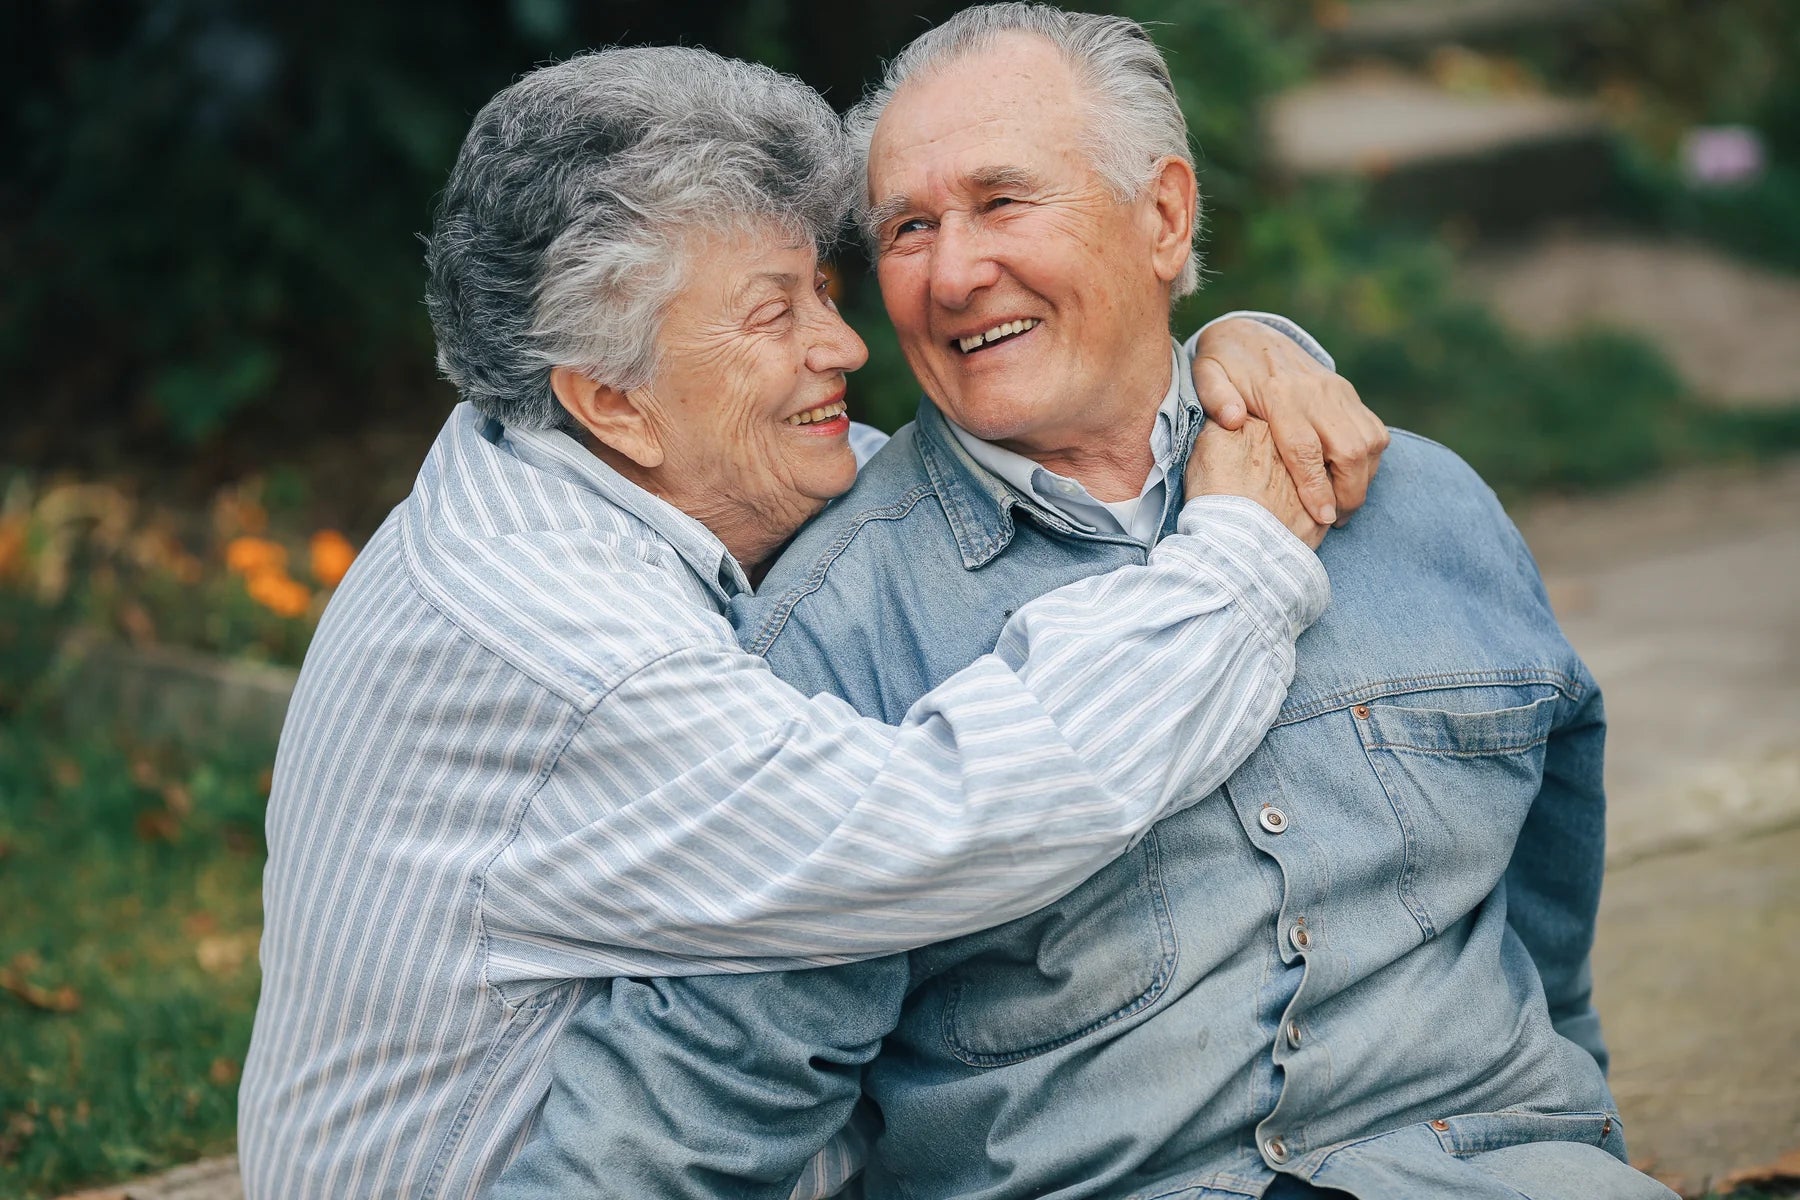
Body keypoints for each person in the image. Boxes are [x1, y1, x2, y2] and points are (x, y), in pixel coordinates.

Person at [498, 8, 1676, 1200]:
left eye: (1004, 202)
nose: (954, 273)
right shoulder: (831, 634)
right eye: (909, 227)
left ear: (1163, 215)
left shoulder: (1418, 504)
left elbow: (1545, 907)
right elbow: (710, 1077)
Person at [235, 42, 1385, 1199]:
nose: (841, 348)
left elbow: (1005, 481)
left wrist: (1223, 359)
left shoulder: (593, 458)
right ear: (613, 400)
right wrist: (1241, 561)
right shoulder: (557, 637)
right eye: (772, 315)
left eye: (825, 292)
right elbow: (948, 824)